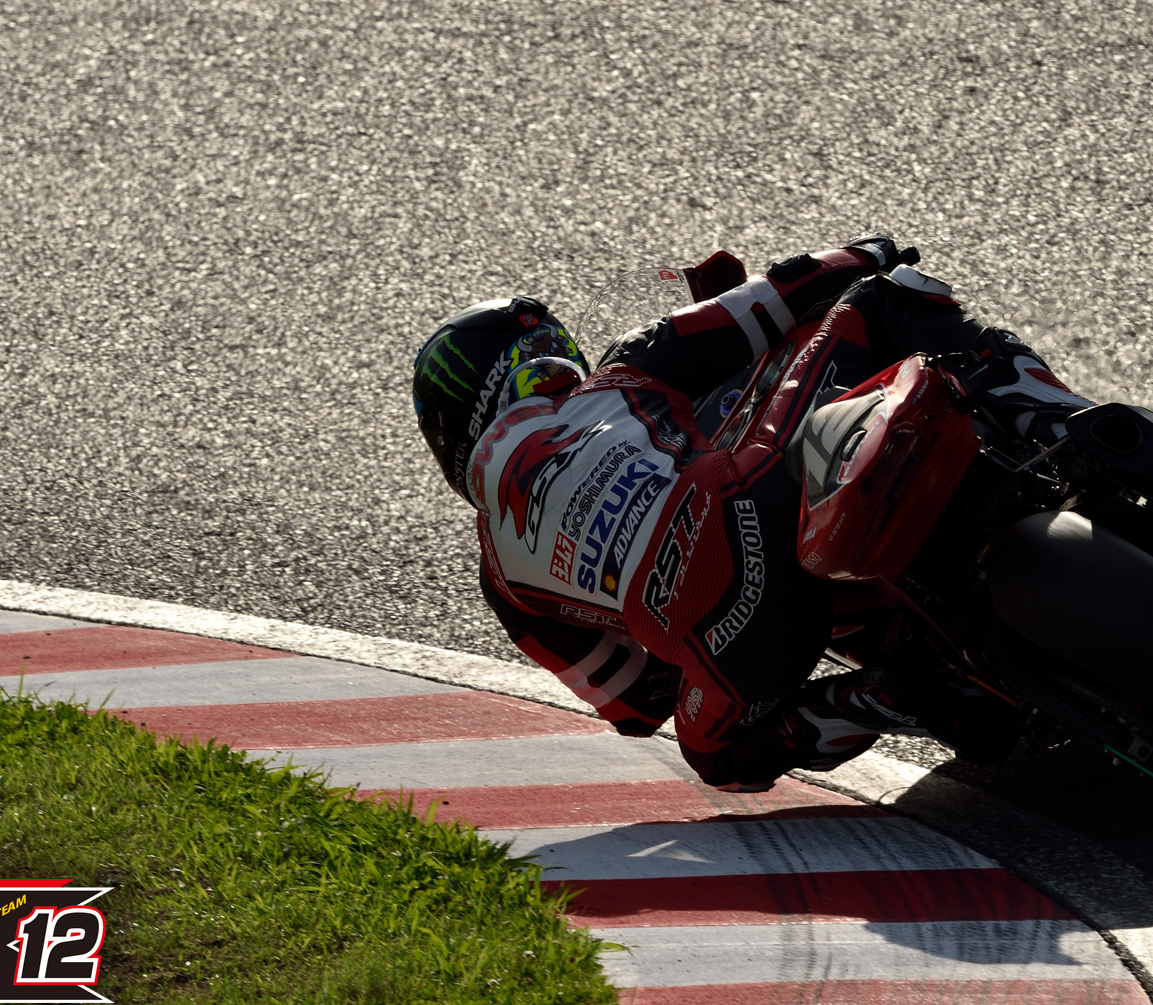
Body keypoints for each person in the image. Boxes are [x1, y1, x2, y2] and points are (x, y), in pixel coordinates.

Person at [411, 237, 1113, 792]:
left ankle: (888, 696)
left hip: (730, 636)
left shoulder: (501, 576)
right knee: (883, 299)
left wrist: (664, 594)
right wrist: (865, 253)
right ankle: (1079, 426)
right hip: (750, 494)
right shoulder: (622, 372)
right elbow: (774, 298)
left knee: (717, 757)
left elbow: (639, 704)